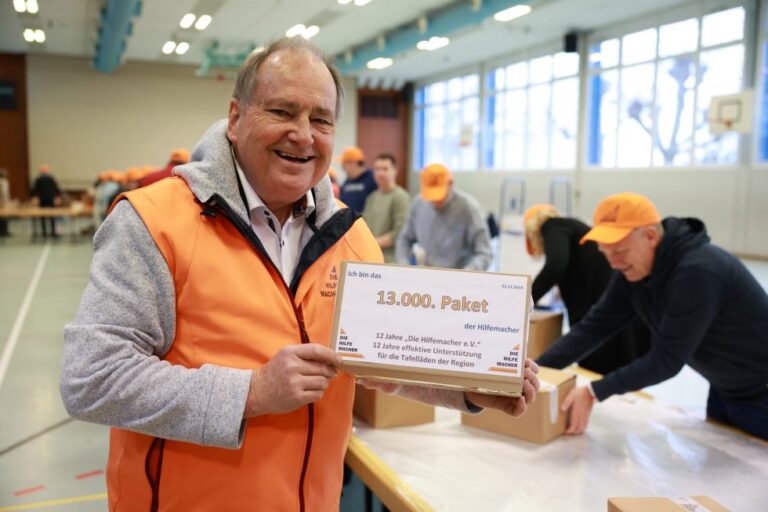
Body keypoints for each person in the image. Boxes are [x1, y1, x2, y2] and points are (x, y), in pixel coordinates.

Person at [61, 37, 539, 511]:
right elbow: (92, 377)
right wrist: (250, 393)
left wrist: (470, 385)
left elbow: (381, 360)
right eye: (282, 112)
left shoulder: (350, 236)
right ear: (235, 118)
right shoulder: (154, 222)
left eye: (321, 119)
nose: (303, 135)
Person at [536, 192, 768, 440]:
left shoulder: (698, 271)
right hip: (724, 389)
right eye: (606, 253)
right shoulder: (632, 272)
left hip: (761, 394)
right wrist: (533, 372)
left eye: (620, 251)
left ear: (650, 236)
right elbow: (592, 329)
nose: (613, 263)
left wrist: (594, 391)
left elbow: (666, 360)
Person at [524, 204, 649, 374]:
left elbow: (555, 267)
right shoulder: (571, 229)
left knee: (599, 367)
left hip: (601, 307)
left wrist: (525, 301)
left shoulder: (553, 226)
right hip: (613, 307)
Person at [396, 163, 492, 270]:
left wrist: (466, 274)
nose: (435, 201)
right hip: (427, 273)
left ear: (450, 184)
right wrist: (403, 265)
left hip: (458, 275)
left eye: (439, 195)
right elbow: (404, 239)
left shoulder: (469, 209)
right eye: (431, 195)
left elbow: (484, 253)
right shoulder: (418, 204)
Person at [362, 153, 411, 262]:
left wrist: (372, 243)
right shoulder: (372, 198)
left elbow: (400, 231)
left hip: (392, 261)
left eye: (385, 169)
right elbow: (365, 226)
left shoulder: (401, 197)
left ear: (395, 171)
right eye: (377, 169)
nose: (381, 173)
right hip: (371, 257)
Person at [338, 145, 376, 213]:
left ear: (353, 163)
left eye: (344, 163)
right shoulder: (347, 182)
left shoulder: (373, 178)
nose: (343, 167)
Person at [29, 164, 61, 238]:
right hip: (49, 199)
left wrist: (32, 197)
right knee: (51, 216)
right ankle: (53, 232)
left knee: (44, 216)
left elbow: (34, 190)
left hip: (43, 200)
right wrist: (58, 196)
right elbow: (56, 188)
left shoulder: (39, 179)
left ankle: (45, 233)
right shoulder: (50, 178)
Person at [0, 168, 10, 237]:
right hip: (1, 201)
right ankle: (2, 231)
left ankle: (6, 231)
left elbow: (7, 193)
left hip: (5, 200)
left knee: (6, 216)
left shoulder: (6, 181)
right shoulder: (1, 182)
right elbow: (1, 192)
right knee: (2, 216)